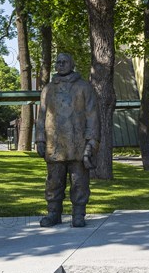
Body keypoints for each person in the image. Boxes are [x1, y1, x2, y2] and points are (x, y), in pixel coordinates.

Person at [35, 53, 100, 228]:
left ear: (72, 64)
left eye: (64, 62)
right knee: (54, 181)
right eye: (58, 62)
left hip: (77, 144)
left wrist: (91, 142)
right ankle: (53, 213)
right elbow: (41, 116)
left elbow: (92, 116)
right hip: (54, 144)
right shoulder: (48, 89)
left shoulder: (84, 87)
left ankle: (78, 214)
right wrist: (40, 139)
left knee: (79, 182)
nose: (61, 64)